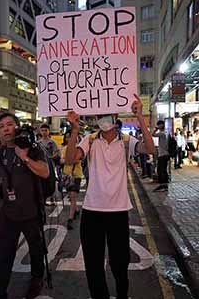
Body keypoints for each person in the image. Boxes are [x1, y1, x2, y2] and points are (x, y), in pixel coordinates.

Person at [64, 94, 154, 299]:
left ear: (115, 116)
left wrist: (140, 117)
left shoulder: (125, 141)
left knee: (120, 263)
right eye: (99, 115)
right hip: (92, 212)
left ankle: (122, 295)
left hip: (118, 211)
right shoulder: (90, 140)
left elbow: (149, 148)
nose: (102, 119)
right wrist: (75, 130)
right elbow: (70, 159)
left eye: (106, 115)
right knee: (93, 264)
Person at [0, 112, 49, 299]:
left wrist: (25, 157)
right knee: (3, 254)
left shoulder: (32, 148)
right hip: (7, 213)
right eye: (1, 126)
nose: (5, 129)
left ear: (17, 127)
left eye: (9, 124)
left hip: (31, 212)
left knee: (36, 250)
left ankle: (37, 280)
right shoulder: (0, 152)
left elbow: (44, 173)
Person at [60, 130, 82, 230]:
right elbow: (61, 160)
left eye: (71, 137)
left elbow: (78, 159)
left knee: (73, 196)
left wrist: (68, 161)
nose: (69, 139)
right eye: (67, 137)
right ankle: (76, 210)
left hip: (76, 175)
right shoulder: (65, 148)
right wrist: (67, 161)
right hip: (67, 175)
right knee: (71, 196)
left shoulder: (79, 148)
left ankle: (70, 218)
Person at [38, 123, 60, 205]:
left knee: (52, 181)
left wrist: (51, 157)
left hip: (50, 164)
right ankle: (43, 200)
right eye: (42, 130)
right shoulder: (38, 142)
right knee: (42, 182)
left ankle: (52, 199)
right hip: (41, 164)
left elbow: (57, 151)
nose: (44, 132)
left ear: (49, 131)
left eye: (46, 130)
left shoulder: (52, 142)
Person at [152, 120, 169, 192]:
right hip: (165, 154)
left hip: (162, 154)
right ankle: (164, 186)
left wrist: (155, 129)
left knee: (160, 170)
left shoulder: (162, 133)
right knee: (163, 170)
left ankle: (162, 185)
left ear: (161, 125)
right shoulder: (165, 133)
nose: (158, 126)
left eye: (158, 125)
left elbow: (152, 134)